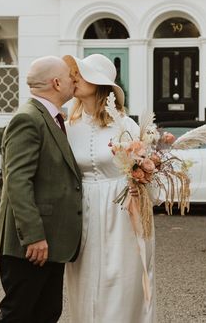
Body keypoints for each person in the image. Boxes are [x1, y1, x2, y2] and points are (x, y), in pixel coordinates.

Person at [64, 54, 156, 323]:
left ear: (98, 82)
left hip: (122, 211)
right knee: (85, 278)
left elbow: (146, 172)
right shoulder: (69, 128)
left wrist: (139, 188)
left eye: (81, 74)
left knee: (121, 281)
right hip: (83, 211)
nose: (74, 78)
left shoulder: (125, 125)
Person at [0, 55, 83, 323]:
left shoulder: (52, 118)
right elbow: (17, 182)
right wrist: (33, 236)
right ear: (56, 83)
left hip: (51, 240)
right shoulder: (28, 119)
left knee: (46, 314)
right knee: (18, 314)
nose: (73, 80)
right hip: (31, 244)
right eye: (69, 76)